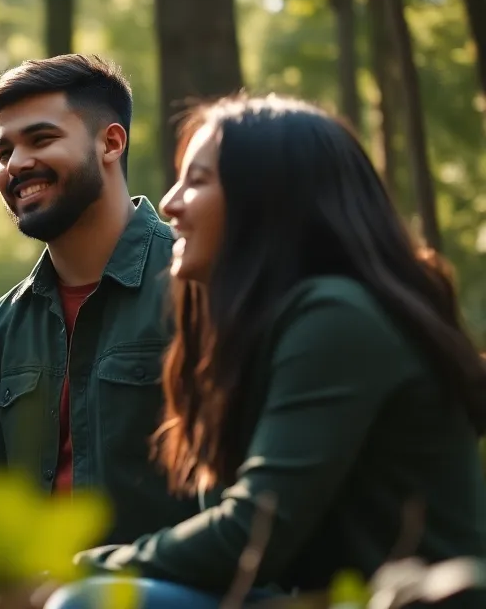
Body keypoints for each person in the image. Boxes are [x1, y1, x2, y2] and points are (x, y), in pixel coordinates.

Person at [43, 95, 486, 608]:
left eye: (198, 181)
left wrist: (80, 568)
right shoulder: (254, 333)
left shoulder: (337, 318)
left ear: (270, 197)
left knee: (91, 602)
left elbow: (252, 534)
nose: (169, 202)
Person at [0, 55, 199, 606]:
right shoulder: (0, 329)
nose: (17, 164)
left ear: (110, 143)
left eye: (40, 139)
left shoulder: (198, 285)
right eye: (4, 152)